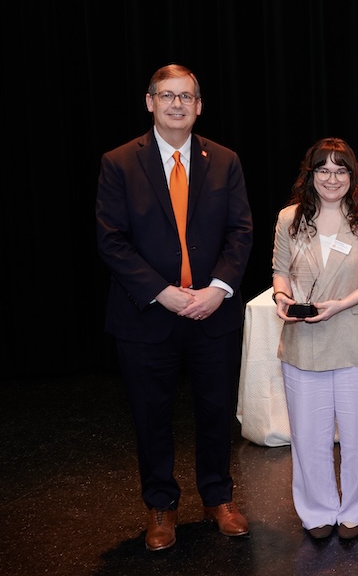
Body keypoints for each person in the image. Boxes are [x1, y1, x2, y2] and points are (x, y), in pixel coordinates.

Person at [95, 64, 253, 550]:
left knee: (214, 410)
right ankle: (161, 507)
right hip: (146, 313)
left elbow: (240, 231)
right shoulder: (119, 162)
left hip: (213, 311)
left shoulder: (224, 160)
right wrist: (162, 291)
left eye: (186, 97)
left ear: (199, 105)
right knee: (150, 415)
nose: (177, 105)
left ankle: (218, 499)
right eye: (167, 96)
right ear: (150, 102)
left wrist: (217, 289)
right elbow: (112, 240)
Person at [271, 138, 358, 542]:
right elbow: (279, 270)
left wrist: (340, 304)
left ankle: (356, 510)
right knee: (308, 436)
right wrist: (281, 296)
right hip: (303, 340)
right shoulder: (289, 218)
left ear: (352, 176)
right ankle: (317, 511)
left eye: (340, 170)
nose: (332, 178)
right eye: (323, 169)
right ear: (311, 175)